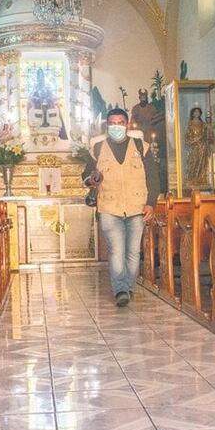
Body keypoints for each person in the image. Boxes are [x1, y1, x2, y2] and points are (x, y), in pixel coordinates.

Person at [82, 107, 161, 307]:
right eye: (112, 123)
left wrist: (151, 203)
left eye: (120, 123)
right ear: (107, 126)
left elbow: (153, 177)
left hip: (137, 206)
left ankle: (129, 286)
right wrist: (91, 179)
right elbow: (86, 175)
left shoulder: (141, 146)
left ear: (127, 125)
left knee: (133, 252)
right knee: (116, 250)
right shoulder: (97, 148)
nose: (116, 126)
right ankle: (121, 290)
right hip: (109, 206)